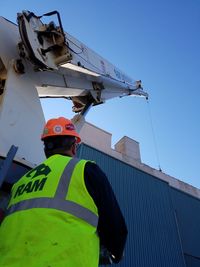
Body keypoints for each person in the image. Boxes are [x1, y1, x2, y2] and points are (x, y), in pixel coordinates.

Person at [0, 117, 127, 267]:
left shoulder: (20, 182)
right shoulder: (85, 170)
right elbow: (115, 226)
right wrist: (116, 254)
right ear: (74, 146)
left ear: (46, 150)